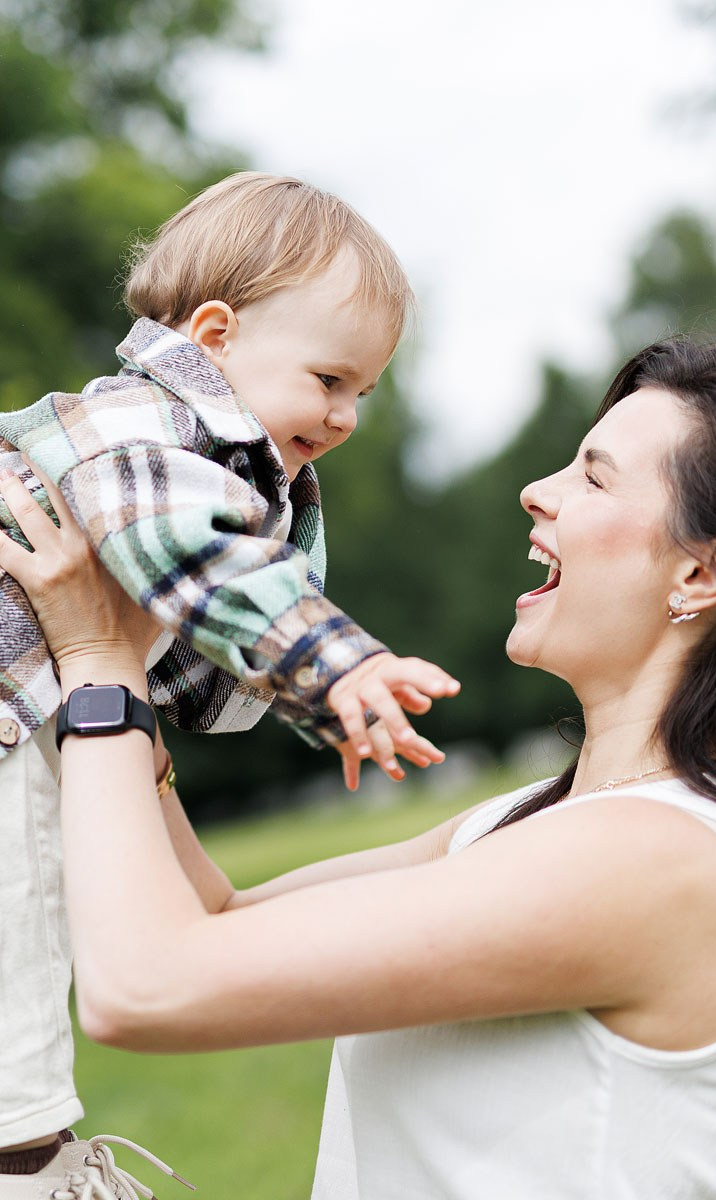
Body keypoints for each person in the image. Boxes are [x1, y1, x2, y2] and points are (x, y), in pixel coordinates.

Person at [1, 335, 716, 1199]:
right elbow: (214, 913)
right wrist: (125, 659)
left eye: (595, 476)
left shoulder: (662, 860)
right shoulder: (536, 819)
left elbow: (145, 989)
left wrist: (96, 663)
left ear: (703, 571)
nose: (538, 490)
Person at [0, 173, 459, 1188]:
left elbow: (205, 642)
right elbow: (204, 567)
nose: (344, 416)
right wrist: (344, 666)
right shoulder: (137, 435)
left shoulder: (240, 464)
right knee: (16, 946)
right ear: (212, 336)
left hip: (40, 720)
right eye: (330, 379)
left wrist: (331, 704)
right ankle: (23, 1163)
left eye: (364, 393)